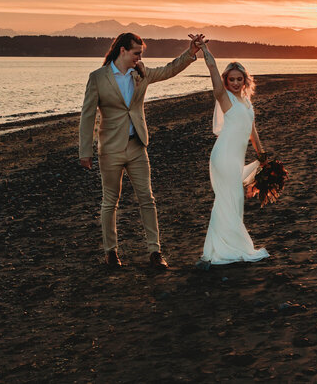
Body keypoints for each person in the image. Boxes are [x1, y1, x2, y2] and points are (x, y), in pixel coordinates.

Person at [79, 32, 204, 270]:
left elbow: (169, 70)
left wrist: (191, 53)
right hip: (110, 150)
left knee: (147, 199)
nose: (139, 57)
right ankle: (111, 253)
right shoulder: (97, 78)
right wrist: (85, 152)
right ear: (122, 50)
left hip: (137, 146)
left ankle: (155, 251)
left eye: (141, 54)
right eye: (137, 52)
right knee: (109, 202)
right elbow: (87, 116)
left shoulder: (142, 73)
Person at [195, 38, 269, 268]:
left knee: (234, 201)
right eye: (231, 79)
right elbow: (215, 81)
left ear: (245, 80)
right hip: (223, 157)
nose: (235, 83)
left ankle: (219, 247)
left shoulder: (246, 102)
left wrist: (262, 154)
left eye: (239, 79)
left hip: (235, 159)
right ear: (226, 80)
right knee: (228, 199)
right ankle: (226, 248)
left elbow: (252, 130)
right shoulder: (225, 100)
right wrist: (206, 52)